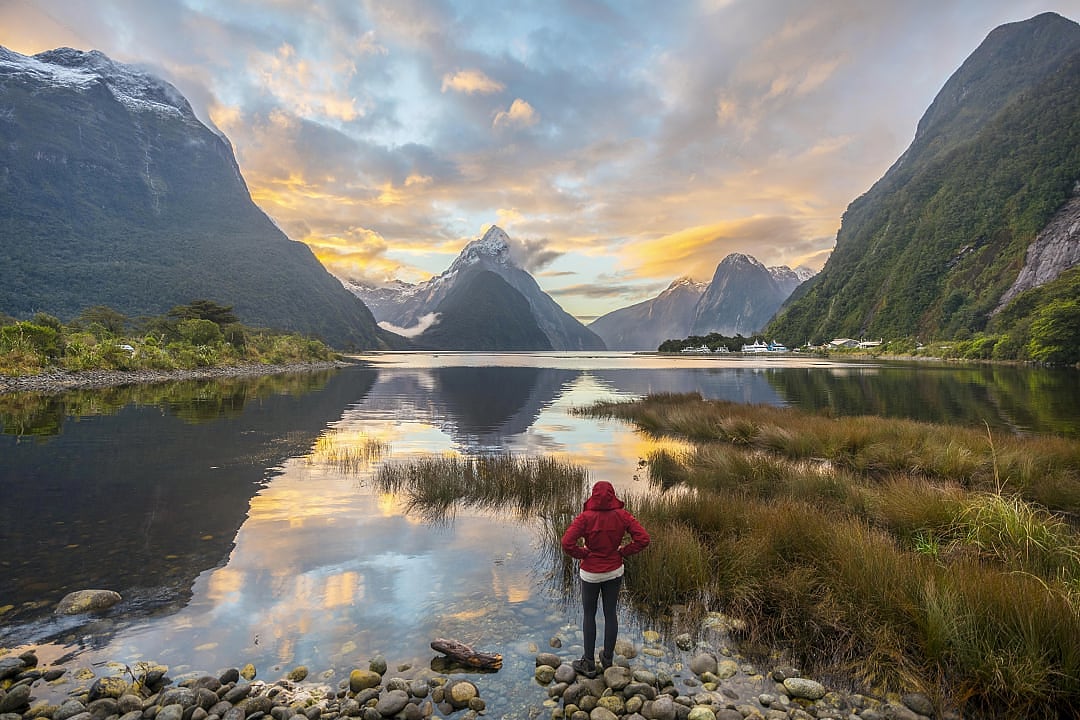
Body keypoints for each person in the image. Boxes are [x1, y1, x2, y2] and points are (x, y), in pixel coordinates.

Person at [560, 480, 650, 677]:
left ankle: (589, 663)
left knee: (589, 615)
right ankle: (608, 659)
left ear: (593, 495)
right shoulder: (622, 515)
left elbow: (567, 543)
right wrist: (623, 552)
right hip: (614, 571)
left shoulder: (585, 517)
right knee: (610, 613)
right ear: (612, 495)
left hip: (590, 574)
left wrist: (583, 554)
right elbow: (643, 539)